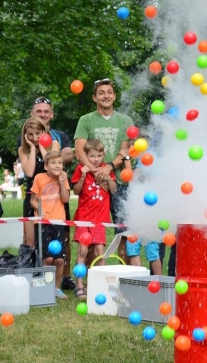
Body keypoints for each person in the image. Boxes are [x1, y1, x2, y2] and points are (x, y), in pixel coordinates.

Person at [74, 79, 133, 264]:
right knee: (92, 232)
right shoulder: (86, 120)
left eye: (109, 92)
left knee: (123, 231)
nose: (106, 96)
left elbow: (124, 151)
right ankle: (92, 273)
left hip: (118, 182)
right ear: (94, 97)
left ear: (114, 96)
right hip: (93, 185)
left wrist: (107, 168)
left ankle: (125, 273)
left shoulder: (125, 120)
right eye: (101, 93)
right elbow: (79, 151)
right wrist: (95, 172)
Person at [71, 139, 116, 300]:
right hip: (84, 218)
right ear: (86, 156)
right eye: (91, 156)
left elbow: (114, 189)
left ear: (103, 155)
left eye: (98, 156)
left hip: (100, 219)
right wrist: (83, 177)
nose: (95, 159)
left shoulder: (106, 170)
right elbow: (76, 191)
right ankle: (79, 286)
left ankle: (99, 285)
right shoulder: (80, 169)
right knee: (82, 251)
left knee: (100, 253)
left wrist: (109, 179)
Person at [29, 151, 70, 299]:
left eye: (60, 163)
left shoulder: (63, 178)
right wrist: (40, 210)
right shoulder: (39, 178)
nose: (57, 165)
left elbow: (65, 199)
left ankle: (56, 288)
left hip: (58, 222)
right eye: (53, 163)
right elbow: (33, 200)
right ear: (46, 166)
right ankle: (44, 287)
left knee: (59, 259)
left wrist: (61, 182)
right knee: (47, 259)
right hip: (42, 223)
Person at [19, 117, 60, 247]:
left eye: (38, 133)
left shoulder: (54, 144)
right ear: (25, 135)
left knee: (51, 238)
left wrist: (42, 146)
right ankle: (31, 266)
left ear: (44, 131)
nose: (34, 137)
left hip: (51, 195)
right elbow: (30, 172)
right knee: (31, 240)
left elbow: (53, 166)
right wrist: (31, 148)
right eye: (30, 134)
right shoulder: (23, 150)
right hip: (33, 195)